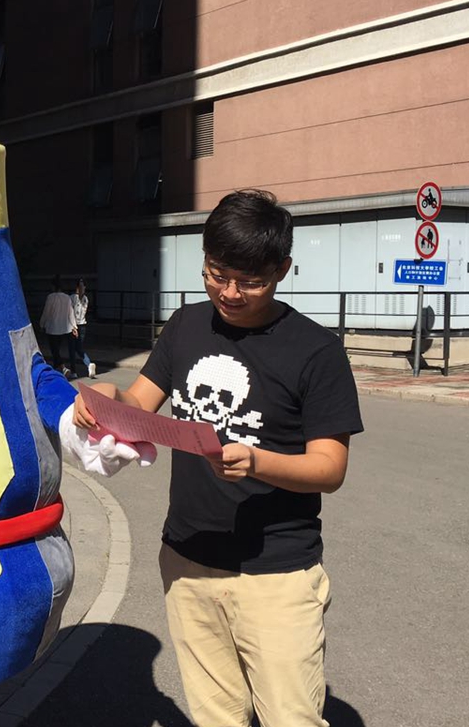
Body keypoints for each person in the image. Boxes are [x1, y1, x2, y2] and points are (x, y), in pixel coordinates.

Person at [64, 189, 364, 727]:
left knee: (291, 718)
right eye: (216, 274)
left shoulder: (315, 350)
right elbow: (140, 402)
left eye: (250, 281)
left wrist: (257, 461)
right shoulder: (186, 326)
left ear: (282, 270)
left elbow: (329, 467)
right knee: (216, 717)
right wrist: (107, 398)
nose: (229, 292)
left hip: (276, 572)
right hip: (188, 557)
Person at [39, 276, 77, 375]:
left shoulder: (51, 297)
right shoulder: (67, 297)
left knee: (54, 350)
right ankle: (59, 368)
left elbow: (46, 312)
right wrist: (74, 326)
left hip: (52, 328)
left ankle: (63, 367)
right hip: (65, 327)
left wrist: (42, 324)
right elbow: (70, 313)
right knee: (60, 349)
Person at [69, 278, 95, 378]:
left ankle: (74, 371)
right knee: (78, 347)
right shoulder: (85, 299)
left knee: (73, 349)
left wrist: (73, 326)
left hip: (74, 325)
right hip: (82, 325)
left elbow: (70, 313)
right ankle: (88, 364)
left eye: (82, 286)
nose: (81, 288)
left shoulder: (73, 298)